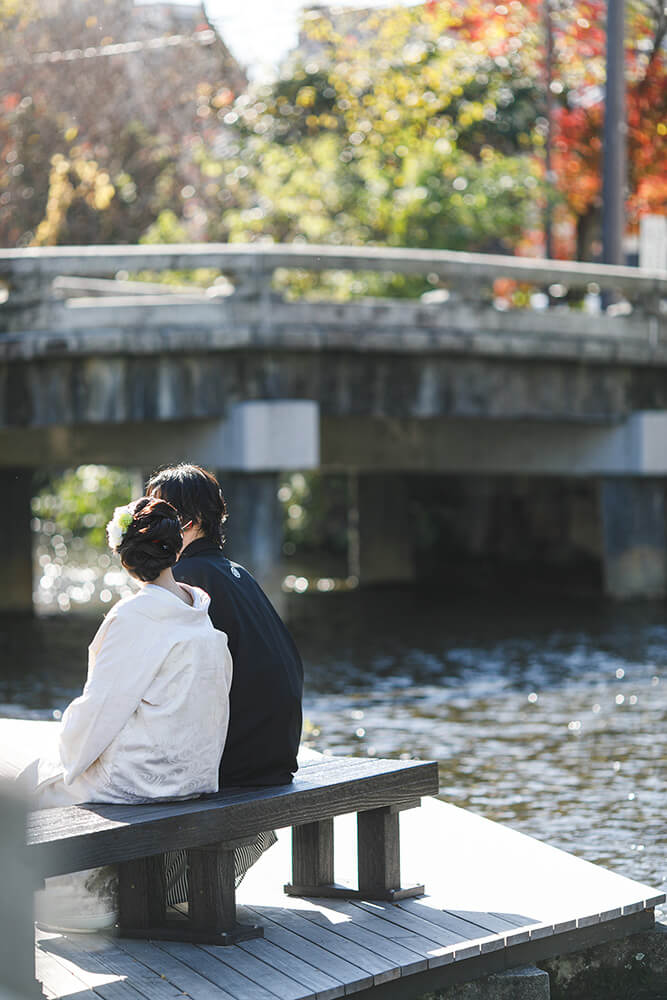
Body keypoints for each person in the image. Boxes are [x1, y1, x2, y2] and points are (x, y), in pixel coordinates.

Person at [0, 496, 233, 929]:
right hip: (195, 775)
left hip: (143, 779)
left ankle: (57, 906)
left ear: (123, 558)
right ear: (176, 549)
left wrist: (67, 756)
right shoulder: (197, 613)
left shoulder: (135, 617)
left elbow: (99, 711)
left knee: (26, 784)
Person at [146, 464, 303, 790]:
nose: (148, 527)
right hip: (275, 756)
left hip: (234, 765)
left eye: (159, 516)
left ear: (192, 522)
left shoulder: (184, 578)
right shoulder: (236, 573)